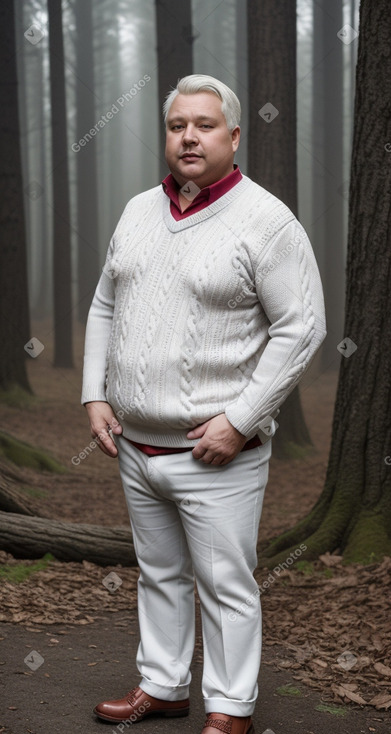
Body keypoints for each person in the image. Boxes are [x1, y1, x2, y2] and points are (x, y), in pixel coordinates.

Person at [81, 74, 326, 734]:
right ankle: (162, 687)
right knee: (158, 575)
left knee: (225, 585)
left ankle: (230, 708)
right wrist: (95, 392)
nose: (188, 136)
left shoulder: (265, 220)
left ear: (233, 135)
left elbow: (301, 327)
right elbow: (106, 304)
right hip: (135, 446)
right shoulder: (136, 211)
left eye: (205, 124)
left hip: (216, 451)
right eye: (176, 125)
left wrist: (240, 419)